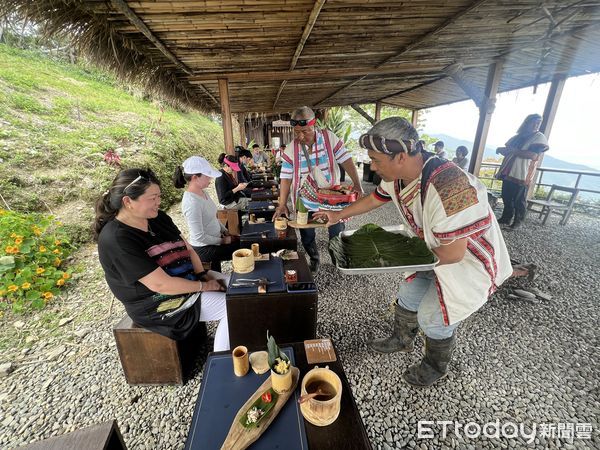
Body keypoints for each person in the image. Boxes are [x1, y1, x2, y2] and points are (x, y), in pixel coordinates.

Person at [314, 117, 511, 387]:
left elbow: (453, 254)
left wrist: (391, 259)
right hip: (432, 250)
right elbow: (375, 198)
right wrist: (338, 215)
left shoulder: (450, 185)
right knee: (408, 293)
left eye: (375, 159)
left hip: (469, 262)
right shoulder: (401, 175)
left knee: (433, 316)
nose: (372, 166)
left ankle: (435, 366)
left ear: (401, 157)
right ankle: (401, 339)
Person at [94, 168, 230, 351]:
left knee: (239, 288)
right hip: (156, 302)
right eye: (152, 198)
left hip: (188, 279)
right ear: (128, 202)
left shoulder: (157, 218)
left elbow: (188, 249)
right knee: (230, 307)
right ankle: (223, 363)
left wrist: (202, 274)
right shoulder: (116, 239)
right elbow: (160, 285)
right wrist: (204, 286)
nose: (158, 202)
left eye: (159, 196)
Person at [273, 106, 363, 273]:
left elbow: (346, 160)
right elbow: (285, 177)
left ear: (314, 125)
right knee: (307, 235)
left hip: (331, 200)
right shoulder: (292, 147)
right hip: (304, 202)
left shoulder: (329, 138)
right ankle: (314, 259)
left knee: (336, 232)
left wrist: (357, 184)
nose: (300, 136)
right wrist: (282, 203)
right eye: (296, 132)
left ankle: (337, 260)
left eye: (305, 131)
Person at [174, 156, 240, 272]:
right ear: (195, 177)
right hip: (204, 248)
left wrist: (224, 230)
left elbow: (213, 218)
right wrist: (223, 241)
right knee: (243, 246)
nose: (210, 178)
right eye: (207, 175)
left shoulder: (203, 192)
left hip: (214, 239)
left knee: (241, 241)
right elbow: (199, 236)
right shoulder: (191, 202)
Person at [495, 114, 549, 229]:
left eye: (538, 122)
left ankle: (517, 222)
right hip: (508, 171)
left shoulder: (539, 137)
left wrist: (514, 151)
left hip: (522, 173)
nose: (536, 124)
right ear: (527, 122)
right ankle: (506, 217)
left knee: (519, 199)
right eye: (534, 122)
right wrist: (501, 150)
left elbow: (533, 155)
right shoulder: (518, 137)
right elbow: (508, 151)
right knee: (506, 196)